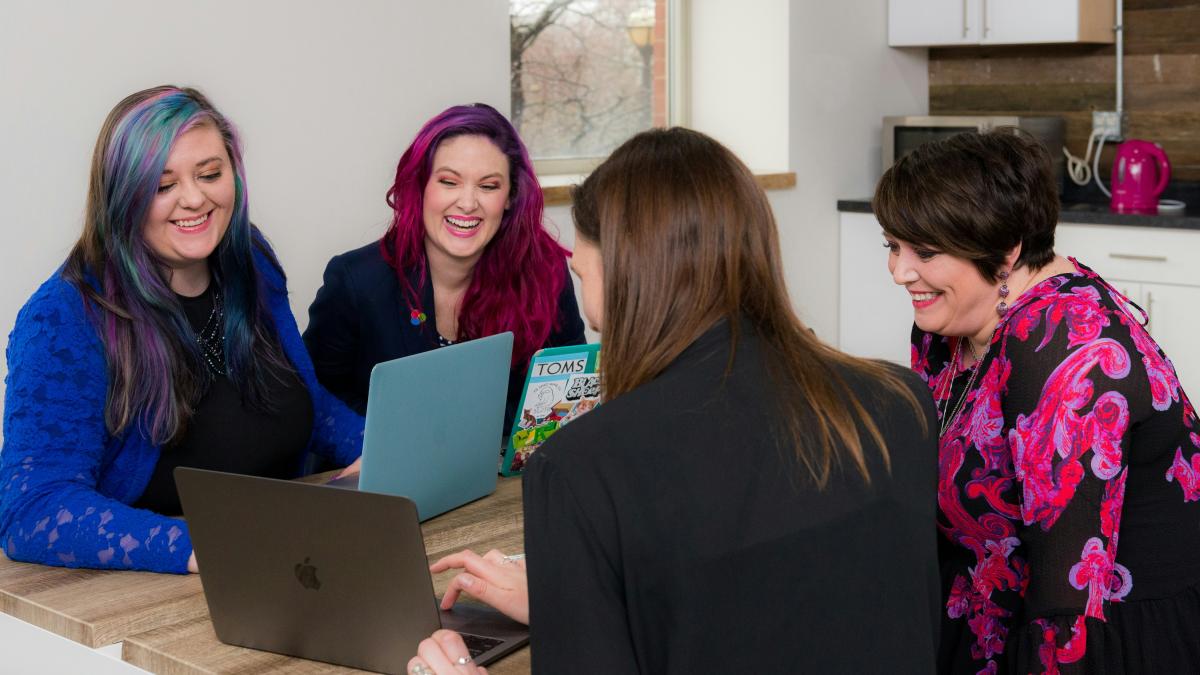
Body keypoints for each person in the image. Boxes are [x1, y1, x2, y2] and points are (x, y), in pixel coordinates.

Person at [406, 127, 942, 674]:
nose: (590, 312)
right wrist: (575, 603)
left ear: (626, 275)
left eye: (582, 276)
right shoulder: (901, 402)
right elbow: (782, 604)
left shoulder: (580, 467)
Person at [874, 129, 1200, 673]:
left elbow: (1066, 601)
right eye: (892, 245)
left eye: (925, 251)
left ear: (1005, 252)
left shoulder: (1069, 352)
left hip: (1112, 635)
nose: (899, 271)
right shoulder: (944, 326)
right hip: (988, 609)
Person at [0, 86, 363, 574]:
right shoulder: (64, 317)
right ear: (122, 197)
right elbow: (33, 510)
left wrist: (378, 452)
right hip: (162, 592)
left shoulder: (250, 263)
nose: (194, 199)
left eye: (210, 174)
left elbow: (306, 403)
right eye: (162, 185)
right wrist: (201, 545)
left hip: (289, 563)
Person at [303, 103, 585, 436]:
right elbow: (315, 399)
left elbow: (569, 390)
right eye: (449, 182)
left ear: (510, 196)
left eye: (488, 186)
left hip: (505, 478)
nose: (467, 203)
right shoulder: (355, 281)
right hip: (382, 474)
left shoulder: (544, 271)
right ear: (420, 187)